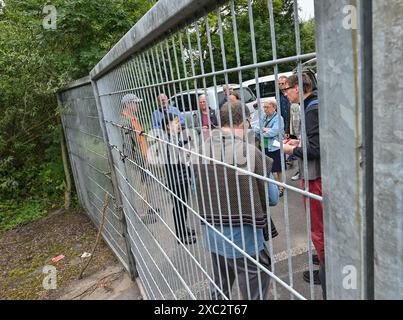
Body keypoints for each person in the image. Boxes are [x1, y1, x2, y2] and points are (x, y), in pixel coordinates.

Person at [192, 100, 279, 300]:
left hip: (213, 233)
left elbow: (197, 189)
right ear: (242, 122)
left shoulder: (201, 149)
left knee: (220, 284)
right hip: (244, 238)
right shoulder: (251, 152)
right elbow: (272, 197)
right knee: (255, 283)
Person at [282, 73, 326, 298]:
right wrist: (299, 143)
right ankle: (324, 265)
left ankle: (326, 273)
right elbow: (316, 142)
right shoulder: (315, 104)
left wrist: (292, 150)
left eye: (287, 88)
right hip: (317, 176)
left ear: (298, 87)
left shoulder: (311, 109)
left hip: (316, 178)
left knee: (318, 228)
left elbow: (317, 149)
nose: (285, 93)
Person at [121, 93, 159, 224]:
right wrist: (137, 163)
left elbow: (140, 139)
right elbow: (127, 146)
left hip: (143, 157)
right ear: (128, 104)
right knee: (139, 187)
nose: (138, 105)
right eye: (135, 103)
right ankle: (142, 215)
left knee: (146, 184)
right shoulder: (125, 121)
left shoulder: (134, 118)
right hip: (136, 161)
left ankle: (147, 208)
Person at [160, 112, 196, 245]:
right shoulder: (169, 140)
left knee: (183, 205)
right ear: (168, 127)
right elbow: (174, 159)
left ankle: (183, 228)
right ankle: (180, 236)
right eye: (175, 122)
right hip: (176, 179)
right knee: (179, 206)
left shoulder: (174, 137)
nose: (178, 124)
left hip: (182, 177)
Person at [254, 100, 286, 197]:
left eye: (267, 107)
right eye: (264, 107)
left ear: (274, 107)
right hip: (264, 146)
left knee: (279, 169)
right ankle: (273, 187)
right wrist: (264, 130)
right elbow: (256, 128)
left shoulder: (278, 118)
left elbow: (274, 132)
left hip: (275, 147)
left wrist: (263, 131)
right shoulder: (264, 117)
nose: (265, 109)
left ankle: (281, 187)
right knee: (268, 168)